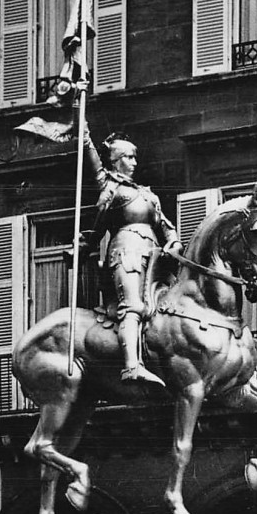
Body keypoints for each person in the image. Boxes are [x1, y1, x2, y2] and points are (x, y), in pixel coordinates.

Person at [82, 128, 182, 386]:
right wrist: (82, 129)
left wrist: (173, 241)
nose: (134, 163)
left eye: (135, 158)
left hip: (155, 255)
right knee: (133, 306)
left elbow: (164, 224)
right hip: (126, 252)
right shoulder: (111, 186)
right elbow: (92, 157)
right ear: (115, 161)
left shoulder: (148, 193)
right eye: (128, 157)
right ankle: (131, 366)